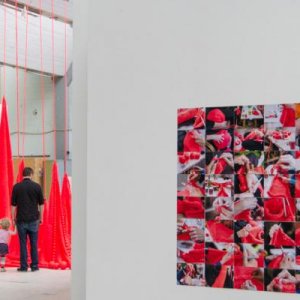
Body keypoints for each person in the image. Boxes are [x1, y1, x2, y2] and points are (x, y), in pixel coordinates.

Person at [11, 167, 44, 272]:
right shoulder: (37, 186)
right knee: (34, 243)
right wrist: (41, 217)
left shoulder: (16, 187)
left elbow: (13, 205)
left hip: (21, 219)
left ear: (23, 175)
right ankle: (34, 266)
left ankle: (24, 266)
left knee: (22, 244)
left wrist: (13, 218)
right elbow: (41, 204)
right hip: (34, 219)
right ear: (31, 174)